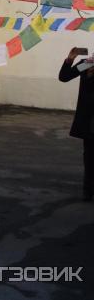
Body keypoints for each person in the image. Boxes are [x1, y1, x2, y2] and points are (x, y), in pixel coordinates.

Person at [58, 47, 94, 201]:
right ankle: (88, 191)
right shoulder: (86, 64)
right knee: (90, 157)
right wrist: (70, 59)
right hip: (90, 121)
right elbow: (64, 77)